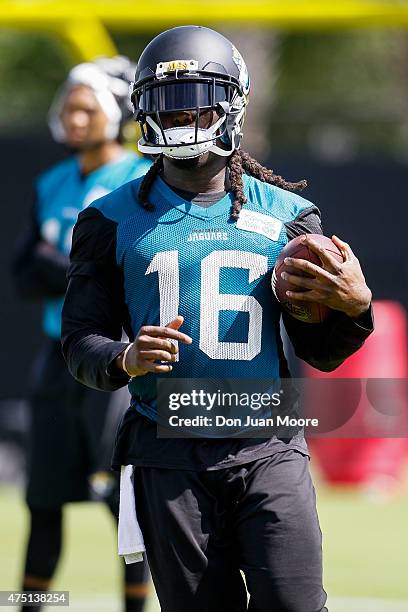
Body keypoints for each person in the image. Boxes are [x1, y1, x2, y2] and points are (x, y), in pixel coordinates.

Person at [61, 26, 374, 612]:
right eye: (166, 103)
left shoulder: (289, 215)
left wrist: (355, 310)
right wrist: (124, 358)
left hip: (268, 444)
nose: (182, 117)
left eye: (198, 100)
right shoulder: (107, 219)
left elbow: (322, 351)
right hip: (167, 450)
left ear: (233, 101)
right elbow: (80, 343)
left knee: (296, 605)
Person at [13, 56, 151, 612]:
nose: (73, 117)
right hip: (56, 354)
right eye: (68, 105)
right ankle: (28, 605)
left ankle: (136, 607)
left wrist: (66, 263)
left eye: (86, 106)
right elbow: (24, 273)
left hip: (113, 359)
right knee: (42, 496)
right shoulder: (51, 182)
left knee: (120, 497)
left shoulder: (140, 180)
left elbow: (122, 270)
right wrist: (76, 265)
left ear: (116, 112)